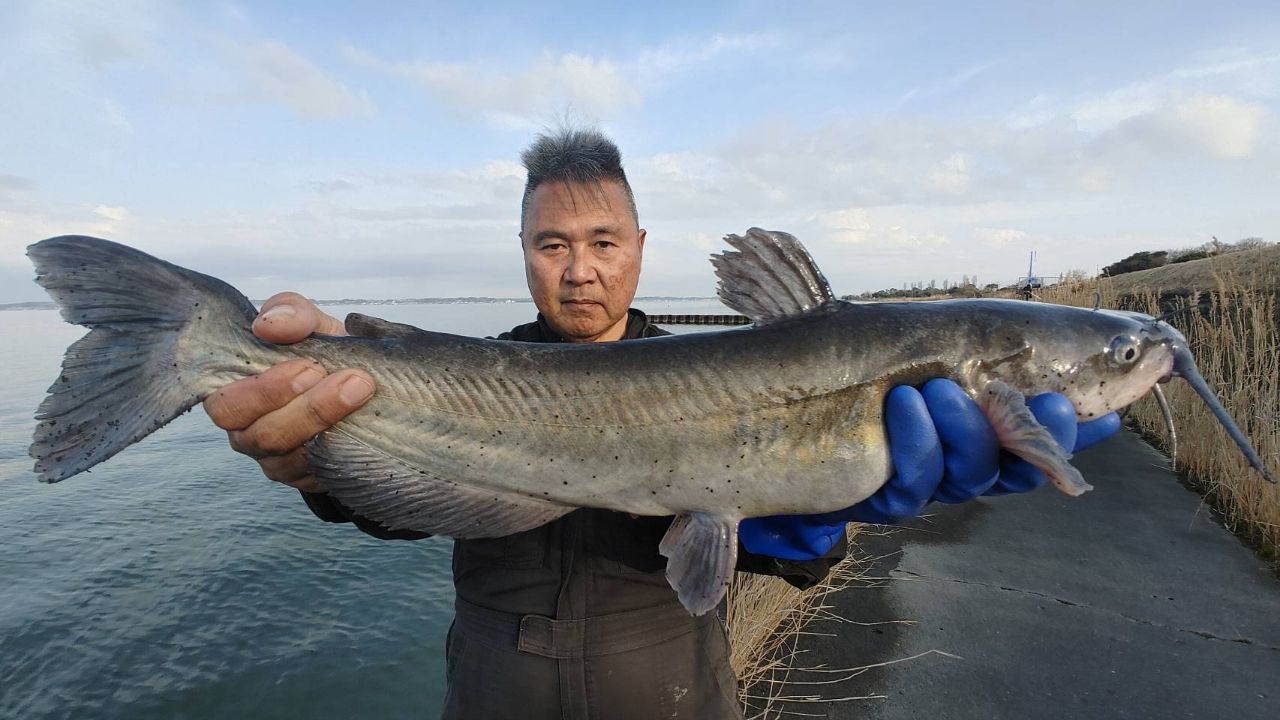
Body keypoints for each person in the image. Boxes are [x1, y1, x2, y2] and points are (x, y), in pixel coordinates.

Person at [202, 128, 1120, 719]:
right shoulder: (468, 372)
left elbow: (790, 554)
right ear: (523, 252)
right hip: (493, 686)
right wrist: (319, 468)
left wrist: (812, 528)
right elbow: (403, 506)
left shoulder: (736, 370)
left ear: (639, 250)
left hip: (674, 688)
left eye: (603, 242)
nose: (581, 271)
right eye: (553, 245)